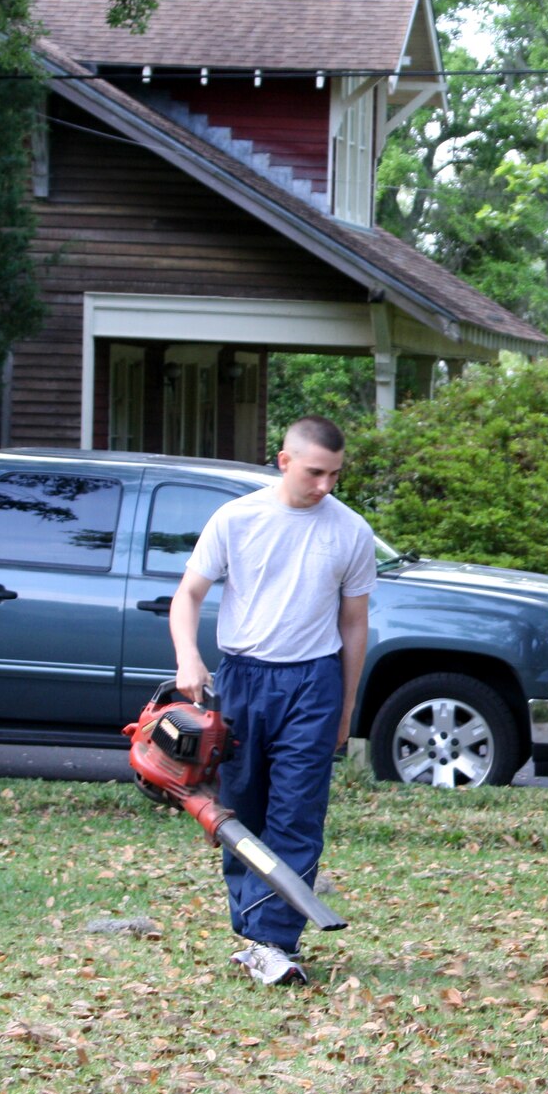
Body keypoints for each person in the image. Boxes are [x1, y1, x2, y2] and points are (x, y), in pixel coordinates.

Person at [170, 416, 375, 986]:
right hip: (242, 679)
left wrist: (346, 706)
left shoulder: (351, 531)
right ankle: (255, 933)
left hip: (314, 682)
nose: (325, 486)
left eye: (335, 474)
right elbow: (188, 596)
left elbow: (354, 624)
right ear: (284, 461)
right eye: (315, 472)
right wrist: (188, 658)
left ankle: (273, 941)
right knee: (242, 813)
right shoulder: (236, 519)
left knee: (297, 813)